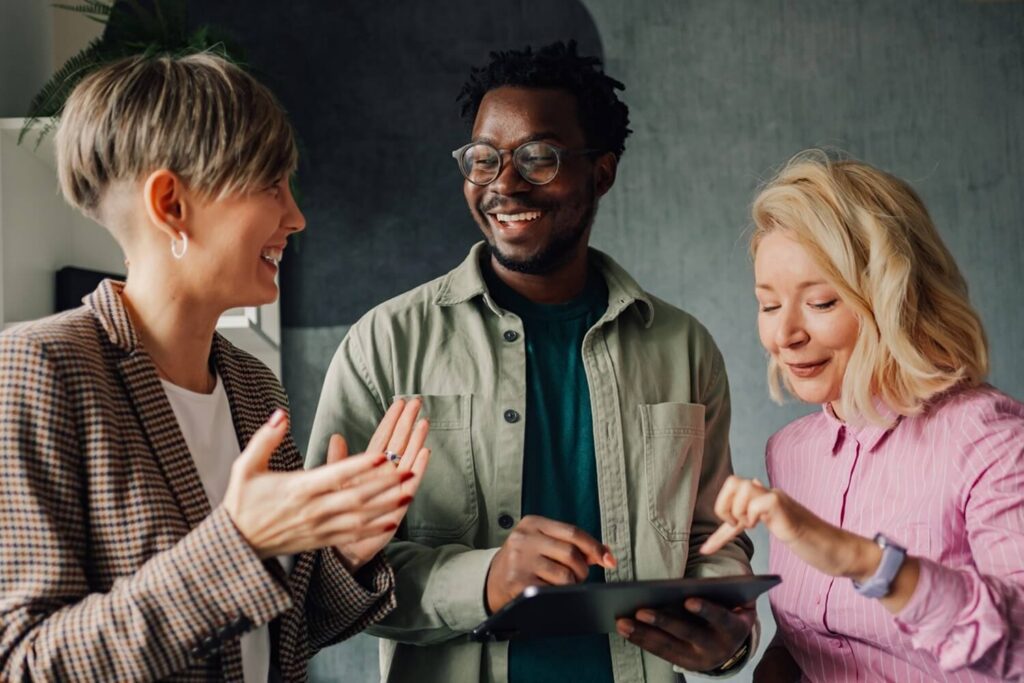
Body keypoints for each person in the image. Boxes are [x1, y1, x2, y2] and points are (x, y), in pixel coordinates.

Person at [307, 41, 755, 683]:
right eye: (483, 159)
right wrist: (485, 579)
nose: (504, 183)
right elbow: (326, 576)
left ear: (602, 172)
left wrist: (727, 635)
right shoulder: (385, 346)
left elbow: (713, 538)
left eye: (538, 158)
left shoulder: (684, 348)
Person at [0, 52, 432, 682]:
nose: (296, 216)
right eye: (270, 185)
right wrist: (239, 543)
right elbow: (26, 664)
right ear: (172, 204)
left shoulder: (254, 389)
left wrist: (339, 553)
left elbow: (269, 637)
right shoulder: (40, 370)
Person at [701, 152, 1024, 682]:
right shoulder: (790, 452)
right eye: (769, 304)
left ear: (896, 298)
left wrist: (862, 560)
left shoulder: (991, 441)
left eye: (822, 302)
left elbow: (1017, 651)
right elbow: (820, 635)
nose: (785, 336)